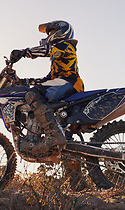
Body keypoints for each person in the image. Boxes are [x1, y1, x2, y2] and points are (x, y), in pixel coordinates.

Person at [10, 20, 87, 190]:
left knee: (32, 94)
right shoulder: (57, 57)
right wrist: (22, 81)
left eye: (50, 32)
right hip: (62, 82)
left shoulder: (66, 46)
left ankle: (52, 134)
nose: (48, 36)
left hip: (69, 83)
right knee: (33, 91)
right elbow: (46, 80)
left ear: (61, 32)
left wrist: (24, 52)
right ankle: (77, 184)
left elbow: (48, 50)